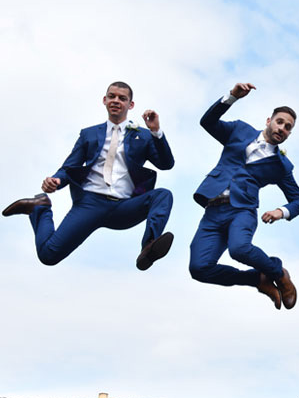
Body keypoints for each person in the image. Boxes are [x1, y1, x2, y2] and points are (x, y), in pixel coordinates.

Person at [3, 82, 175, 270]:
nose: (116, 101)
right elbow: (69, 167)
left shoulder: (144, 136)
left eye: (122, 98)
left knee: (163, 195)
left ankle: (149, 246)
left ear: (130, 105)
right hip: (89, 203)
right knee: (48, 255)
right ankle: (40, 208)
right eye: (112, 96)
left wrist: (156, 132)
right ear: (105, 100)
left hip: (123, 206)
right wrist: (56, 180)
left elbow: (166, 164)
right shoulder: (89, 134)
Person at [189, 82, 299, 310]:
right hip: (212, 211)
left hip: (241, 212)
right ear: (269, 121)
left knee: (239, 249)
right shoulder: (239, 130)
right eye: (280, 122)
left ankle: (279, 273)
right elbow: (207, 123)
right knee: (199, 268)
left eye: (288, 127)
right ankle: (256, 279)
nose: (282, 128)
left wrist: (280, 212)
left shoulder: (281, 166)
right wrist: (232, 97)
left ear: (289, 134)